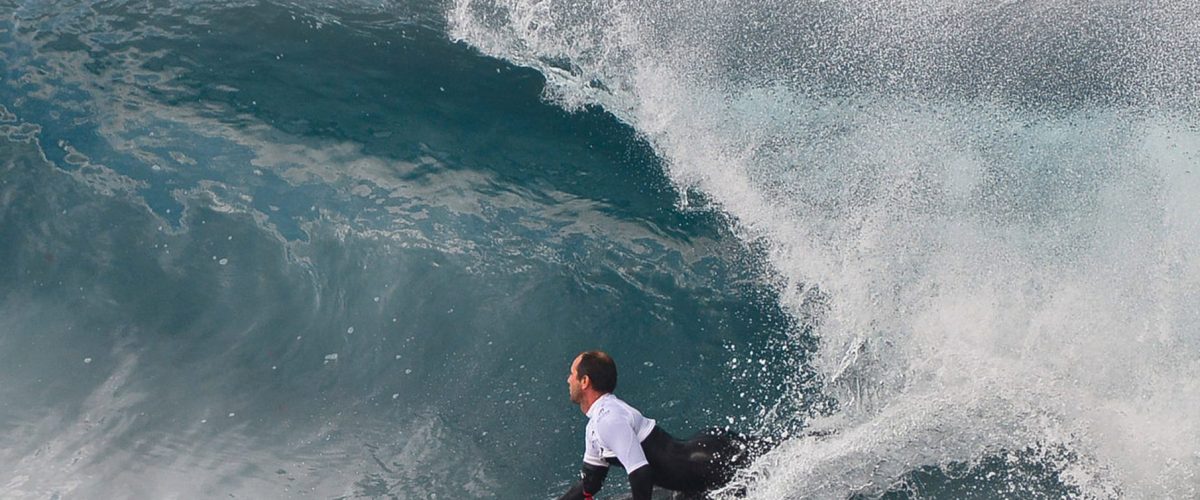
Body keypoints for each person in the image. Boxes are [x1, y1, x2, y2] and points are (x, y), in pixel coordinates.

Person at [558, 351, 762, 500]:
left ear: (585, 381)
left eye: (572, 374)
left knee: (783, 463)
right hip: (697, 463)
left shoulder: (609, 419)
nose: (568, 379)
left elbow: (640, 472)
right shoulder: (596, 424)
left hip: (707, 465)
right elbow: (591, 482)